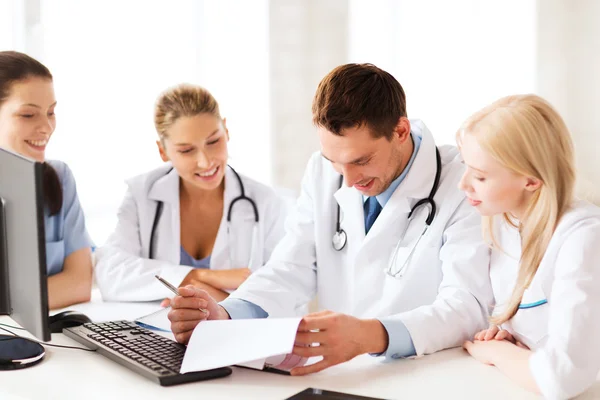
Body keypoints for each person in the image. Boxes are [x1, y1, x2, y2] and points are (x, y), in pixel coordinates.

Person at [168, 63, 493, 374]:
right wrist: (225, 315)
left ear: (400, 130)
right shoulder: (324, 171)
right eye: (334, 161)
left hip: (426, 373)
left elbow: (467, 305)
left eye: (361, 160)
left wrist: (371, 335)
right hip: (345, 374)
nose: (348, 181)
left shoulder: (464, 182)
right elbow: (290, 268)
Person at [459, 94, 600, 399]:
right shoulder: (504, 220)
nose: (464, 184)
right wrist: (509, 338)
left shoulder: (583, 237)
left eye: (480, 176)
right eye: (466, 167)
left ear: (531, 181)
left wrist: (497, 352)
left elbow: (563, 378)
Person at [95, 84, 289, 304]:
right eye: (186, 150)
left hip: (240, 334)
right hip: (159, 334)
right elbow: (110, 273)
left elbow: (284, 294)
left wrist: (214, 301)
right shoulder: (142, 195)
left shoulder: (266, 202)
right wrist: (197, 277)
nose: (205, 161)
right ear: (163, 151)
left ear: (226, 130)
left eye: (214, 141)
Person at [0, 51, 93, 309]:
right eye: (28, 115)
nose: (47, 127)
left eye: (50, 112)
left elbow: (79, 283)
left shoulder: (59, 178)